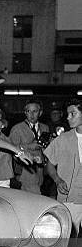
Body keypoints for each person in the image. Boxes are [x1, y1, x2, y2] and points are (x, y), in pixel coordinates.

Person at [43, 99, 82, 233]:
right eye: (68, 114)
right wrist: (57, 180)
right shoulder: (62, 139)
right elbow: (50, 165)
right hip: (70, 197)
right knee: (71, 236)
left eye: (73, 114)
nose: (68, 117)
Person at [9, 101, 49, 194]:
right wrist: (29, 146)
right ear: (25, 113)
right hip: (25, 171)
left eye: (35, 111)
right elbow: (11, 149)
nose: (31, 114)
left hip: (42, 170)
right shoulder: (17, 129)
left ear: (40, 113)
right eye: (28, 111)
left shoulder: (45, 128)